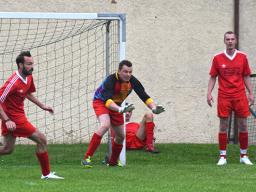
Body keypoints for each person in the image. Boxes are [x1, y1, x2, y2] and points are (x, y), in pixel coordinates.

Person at [81, 60, 165, 167]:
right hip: (101, 102)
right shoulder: (110, 80)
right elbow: (107, 100)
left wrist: (153, 108)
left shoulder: (132, 81)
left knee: (121, 136)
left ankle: (113, 162)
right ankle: (87, 158)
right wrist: (119, 109)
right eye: (125, 72)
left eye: (130, 72)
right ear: (119, 71)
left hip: (117, 107)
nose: (128, 74)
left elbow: (143, 95)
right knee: (105, 125)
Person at [0, 51, 64, 179]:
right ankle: (46, 174)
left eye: (32, 63)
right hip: (14, 119)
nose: (32, 66)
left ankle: (46, 174)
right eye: (28, 64)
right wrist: (7, 120)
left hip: (16, 118)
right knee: (42, 139)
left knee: (7, 149)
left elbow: (27, 93)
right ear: (20, 65)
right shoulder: (13, 82)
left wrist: (42, 106)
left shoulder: (28, 77)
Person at [207, 31, 254, 166]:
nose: (230, 41)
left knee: (243, 125)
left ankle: (243, 156)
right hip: (224, 96)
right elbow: (213, 77)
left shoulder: (243, 57)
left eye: (232, 39)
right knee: (223, 126)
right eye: (227, 39)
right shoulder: (217, 58)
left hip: (240, 95)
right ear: (224, 41)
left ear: (236, 40)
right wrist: (209, 93)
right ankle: (223, 156)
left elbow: (246, 76)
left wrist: (251, 93)